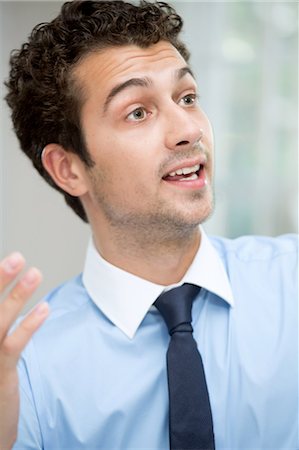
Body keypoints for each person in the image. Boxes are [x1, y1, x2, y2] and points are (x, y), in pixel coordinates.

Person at [0, 1, 297, 449]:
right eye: (137, 112)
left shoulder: (291, 281)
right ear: (68, 168)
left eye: (187, 98)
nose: (188, 130)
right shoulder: (26, 374)